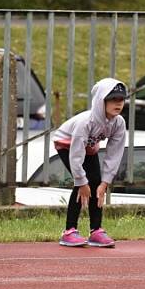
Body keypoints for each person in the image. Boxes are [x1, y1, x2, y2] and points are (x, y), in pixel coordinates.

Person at [53, 78, 127, 247]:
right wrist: (80, 180)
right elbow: (76, 153)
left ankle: (96, 231)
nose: (118, 103)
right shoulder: (85, 122)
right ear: (102, 100)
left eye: (121, 99)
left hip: (89, 147)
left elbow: (114, 153)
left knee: (96, 184)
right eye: (113, 99)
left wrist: (105, 182)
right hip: (66, 143)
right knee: (83, 185)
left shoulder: (119, 123)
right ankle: (69, 231)